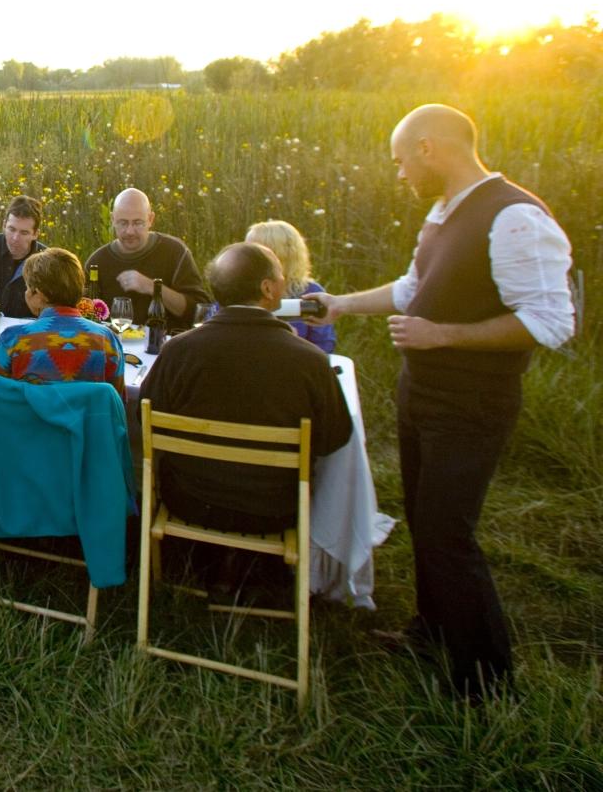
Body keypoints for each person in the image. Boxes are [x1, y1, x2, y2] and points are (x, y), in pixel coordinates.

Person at [306, 103, 574, 699]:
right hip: (421, 391)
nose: (400, 173)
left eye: (402, 161)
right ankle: (430, 629)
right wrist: (343, 304)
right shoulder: (442, 213)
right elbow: (412, 289)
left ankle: (485, 678)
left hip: (472, 401)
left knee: (450, 530)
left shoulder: (513, 218)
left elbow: (551, 321)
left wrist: (443, 334)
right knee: (425, 518)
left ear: (430, 148)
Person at [141, 242, 351, 534]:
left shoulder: (177, 350)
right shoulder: (311, 361)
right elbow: (333, 439)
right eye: (280, 275)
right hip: (275, 508)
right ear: (268, 289)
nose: (284, 281)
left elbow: (147, 417)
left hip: (190, 498)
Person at [0, 247, 125, 399]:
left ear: (40, 294)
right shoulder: (107, 339)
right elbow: (116, 402)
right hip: (87, 423)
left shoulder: (13, 338)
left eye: (27, 288)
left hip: (27, 422)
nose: (26, 293)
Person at [86, 187, 206, 329]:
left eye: (138, 223)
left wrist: (152, 287)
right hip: (113, 346)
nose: (130, 231)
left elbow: (199, 312)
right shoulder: (97, 262)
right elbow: (84, 316)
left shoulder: (175, 252)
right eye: (123, 223)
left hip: (164, 346)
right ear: (112, 219)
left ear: (150, 219)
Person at [244, 219, 335, 353]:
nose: (243, 256)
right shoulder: (237, 289)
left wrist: (291, 341)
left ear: (277, 254)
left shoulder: (311, 293)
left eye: (251, 251)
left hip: (295, 365)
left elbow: (324, 345)